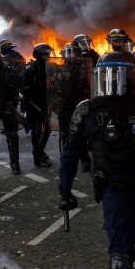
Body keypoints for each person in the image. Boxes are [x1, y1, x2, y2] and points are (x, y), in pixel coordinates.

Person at [58, 51, 135, 269]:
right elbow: (70, 153)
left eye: (120, 74)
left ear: (130, 76)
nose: (114, 79)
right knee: (120, 261)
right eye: (108, 74)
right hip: (114, 189)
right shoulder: (87, 110)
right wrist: (64, 189)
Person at [53, 43, 92, 172]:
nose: (70, 56)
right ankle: (66, 160)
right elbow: (55, 89)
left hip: (79, 105)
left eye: (72, 53)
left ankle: (85, 160)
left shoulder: (83, 68)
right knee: (64, 135)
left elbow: (87, 87)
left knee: (81, 134)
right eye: (67, 53)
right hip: (64, 107)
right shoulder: (59, 69)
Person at [22, 43, 53, 168]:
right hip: (33, 105)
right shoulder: (30, 69)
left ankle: (40, 150)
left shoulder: (51, 67)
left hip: (45, 103)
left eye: (48, 53)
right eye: (44, 54)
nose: (47, 56)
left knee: (48, 128)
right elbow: (23, 87)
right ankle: (38, 158)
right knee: (36, 131)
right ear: (37, 55)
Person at [106, 29, 135, 93]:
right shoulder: (107, 57)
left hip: (130, 91)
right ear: (111, 43)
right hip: (111, 90)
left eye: (120, 41)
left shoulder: (133, 57)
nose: (118, 44)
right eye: (115, 41)